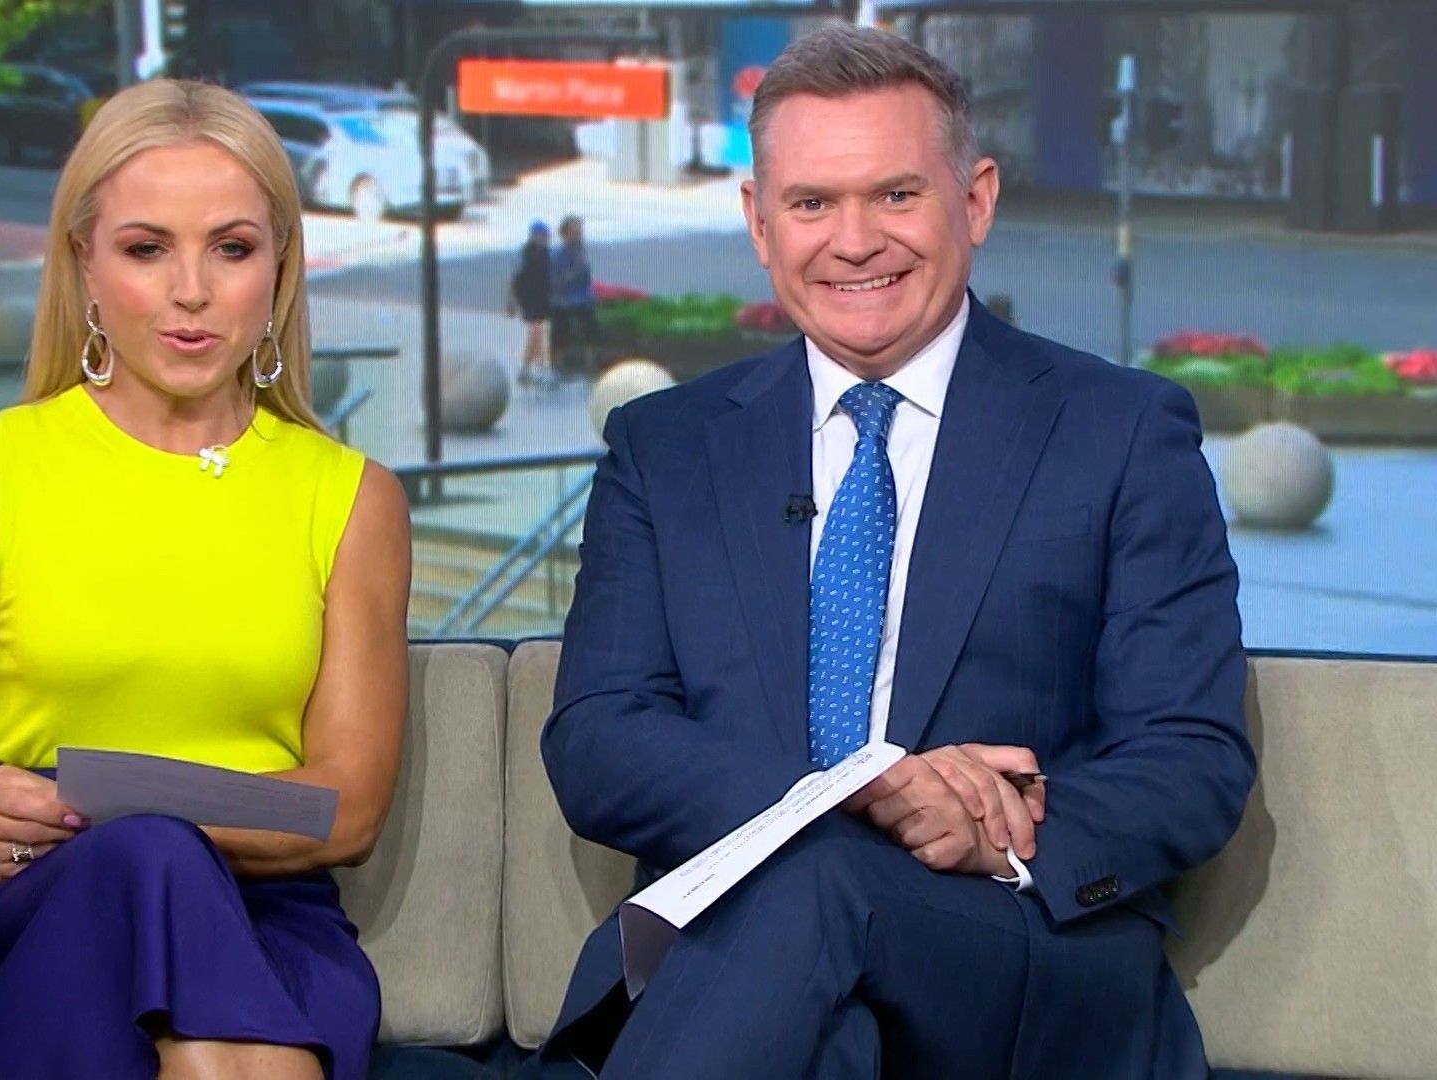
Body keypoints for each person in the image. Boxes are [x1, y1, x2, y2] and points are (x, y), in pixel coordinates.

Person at [537, 26, 1254, 1079]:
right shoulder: (667, 448)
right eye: (812, 204)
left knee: (821, 884)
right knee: (826, 1016)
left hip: (1014, 951)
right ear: (759, 222)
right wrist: (861, 792)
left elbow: (1190, 757)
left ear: (977, 200)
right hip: (753, 965)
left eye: (896, 195)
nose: (855, 241)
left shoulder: (1120, 432)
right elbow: (600, 739)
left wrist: (988, 832)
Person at [0, 79, 412, 1080]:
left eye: (232, 249)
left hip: (267, 919)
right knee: (150, 865)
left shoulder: (352, 500)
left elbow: (346, 811)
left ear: (280, 267)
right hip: (20, 915)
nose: (191, 290)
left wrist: (138, 820)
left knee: (162, 880)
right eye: (147, 249)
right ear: (85, 262)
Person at [507, 220, 556, 389]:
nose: (546, 238)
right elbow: (517, 279)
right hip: (532, 298)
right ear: (535, 236)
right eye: (543, 235)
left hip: (539, 297)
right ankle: (539, 368)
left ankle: (528, 368)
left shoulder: (540, 253)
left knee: (537, 332)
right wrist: (513, 300)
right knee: (538, 331)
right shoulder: (531, 254)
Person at [549, 214, 597, 377]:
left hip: (583, 298)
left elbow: (586, 277)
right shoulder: (557, 254)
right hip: (563, 300)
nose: (578, 235)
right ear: (564, 234)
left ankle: (590, 363)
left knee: (590, 331)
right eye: (574, 232)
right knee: (559, 333)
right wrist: (572, 275)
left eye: (579, 232)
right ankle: (558, 364)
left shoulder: (581, 251)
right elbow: (555, 281)